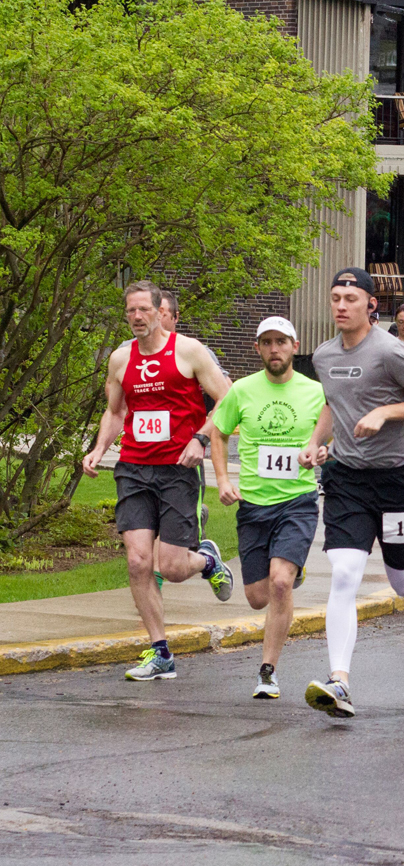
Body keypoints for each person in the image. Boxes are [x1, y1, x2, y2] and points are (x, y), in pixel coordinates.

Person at [300, 267, 404, 718]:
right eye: (335, 297)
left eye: (350, 297)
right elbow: (333, 402)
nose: (341, 305)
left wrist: (386, 412)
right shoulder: (324, 356)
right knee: (344, 572)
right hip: (347, 478)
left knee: (403, 579)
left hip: (398, 478)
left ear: (370, 304)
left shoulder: (389, 351)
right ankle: (339, 680)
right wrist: (315, 441)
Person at [80, 282, 233, 681]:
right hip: (133, 467)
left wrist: (201, 439)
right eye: (130, 311)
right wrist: (99, 449)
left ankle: (207, 560)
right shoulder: (119, 359)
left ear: (159, 310)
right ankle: (160, 651)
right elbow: (115, 413)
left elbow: (228, 400)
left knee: (173, 567)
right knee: (137, 561)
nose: (137, 317)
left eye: (144, 309)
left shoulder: (189, 351)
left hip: (177, 468)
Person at [208, 316, 325, 698]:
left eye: (281, 342)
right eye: (267, 342)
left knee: (279, 583)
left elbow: (332, 435)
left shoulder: (314, 391)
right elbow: (219, 434)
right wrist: (224, 480)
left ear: (294, 346)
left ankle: (267, 671)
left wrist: (325, 450)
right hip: (255, 506)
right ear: (258, 348)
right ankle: (293, 568)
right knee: (258, 596)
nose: (274, 349)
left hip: (298, 501)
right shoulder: (241, 391)